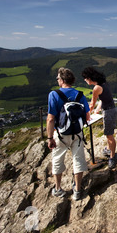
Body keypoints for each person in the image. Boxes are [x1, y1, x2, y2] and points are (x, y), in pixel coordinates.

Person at [47, 67, 91, 201]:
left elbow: (50, 118)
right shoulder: (80, 94)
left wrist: (50, 138)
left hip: (61, 133)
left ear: (61, 80)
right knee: (78, 159)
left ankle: (58, 189)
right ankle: (77, 190)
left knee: (58, 159)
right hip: (77, 133)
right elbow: (87, 116)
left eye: (58, 78)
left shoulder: (54, 95)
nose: (57, 81)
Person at [82, 66, 117, 169]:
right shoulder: (104, 83)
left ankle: (112, 157)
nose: (85, 80)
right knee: (108, 133)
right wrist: (98, 110)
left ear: (89, 78)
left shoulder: (96, 88)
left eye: (85, 78)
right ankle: (108, 149)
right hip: (112, 110)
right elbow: (102, 99)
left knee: (109, 135)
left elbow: (91, 104)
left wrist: (87, 114)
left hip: (109, 112)